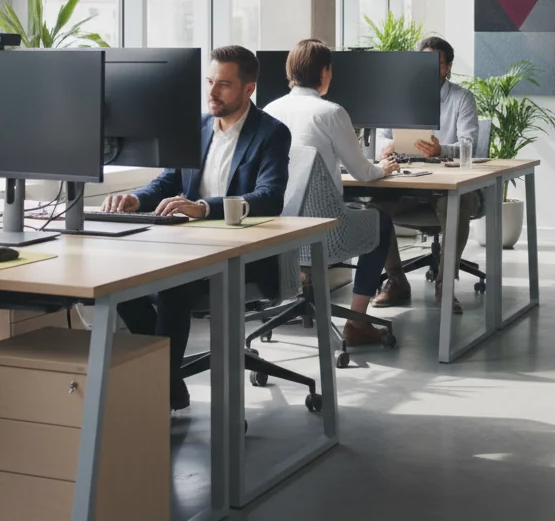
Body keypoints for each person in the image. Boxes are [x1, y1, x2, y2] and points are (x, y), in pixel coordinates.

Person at [102, 45, 290, 410]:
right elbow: (167, 181)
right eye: (209, 82)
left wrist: (204, 207)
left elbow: (270, 196)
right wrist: (135, 199)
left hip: (243, 254)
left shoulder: (271, 133)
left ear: (248, 88)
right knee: (120, 283)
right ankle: (167, 382)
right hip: (187, 244)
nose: (212, 93)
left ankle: (158, 392)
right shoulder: (197, 127)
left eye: (224, 85)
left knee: (174, 288)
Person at [264, 39, 400, 346]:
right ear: (325, 72)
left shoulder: (269, 110)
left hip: (278, 231)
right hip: (324, 231)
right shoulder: (330, 112)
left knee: (355, 208)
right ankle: (356, 321)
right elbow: (363, 173)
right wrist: (384, 168)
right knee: (380, 220)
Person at [373, 36, 479, 314]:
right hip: (406, 179)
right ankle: (396, 279)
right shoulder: (398, 95)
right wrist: (388, 147)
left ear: (448, 67)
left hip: (447, 184)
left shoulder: (461, 98)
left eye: (437, 62)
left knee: (457, 205)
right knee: (372, 207)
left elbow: (470, 145)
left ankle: (445, 284)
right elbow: (379, 139)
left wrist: (440, 149)